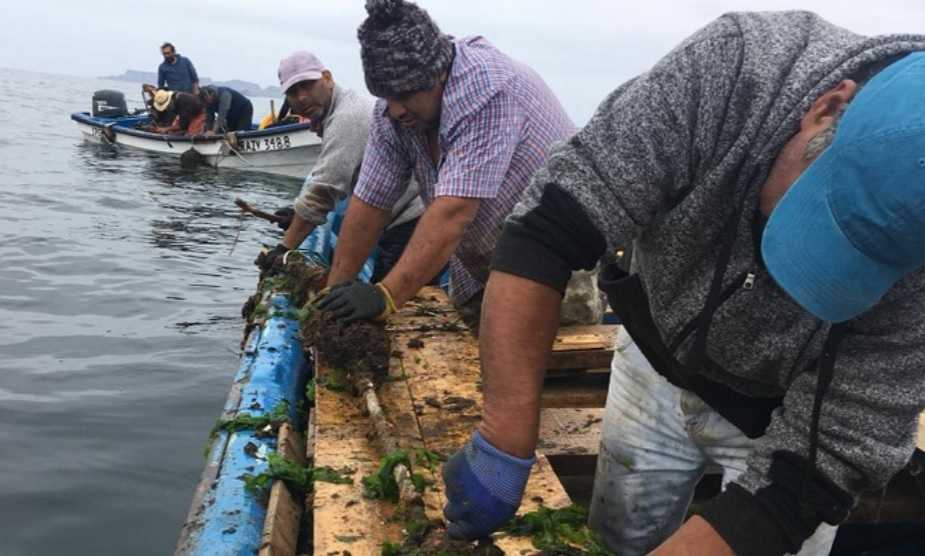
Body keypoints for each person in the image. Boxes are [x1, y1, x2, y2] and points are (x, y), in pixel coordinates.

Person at [439, 11, 925, 556]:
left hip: (785, 420)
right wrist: (505, 440)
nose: (798, 278)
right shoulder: (737, 66)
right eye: (814, 222)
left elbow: (832, 455)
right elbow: (549, 227)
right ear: (826, 108)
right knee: (616, 539)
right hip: (652, 366)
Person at [314, 0, 575, 329]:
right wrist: (335, 295)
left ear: (438, 75)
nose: (395, 110)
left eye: (405, 95)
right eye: (386, 96)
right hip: (483, 264)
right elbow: (370, 201)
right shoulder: (394, 113)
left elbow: (454, 211)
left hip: (557, 265)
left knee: (546, 371)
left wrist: (385, 296)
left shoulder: (487, 90)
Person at [255, 50, 425, 282]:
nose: (302, 97)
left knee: (393, 305)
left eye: (307, 85)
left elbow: (323, 191)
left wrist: (284, 249)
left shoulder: (348, 117)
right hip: (393, 221)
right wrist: (297, 216)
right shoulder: (337, 113)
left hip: (410, 222)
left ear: (327, 78)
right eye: (293, 92)